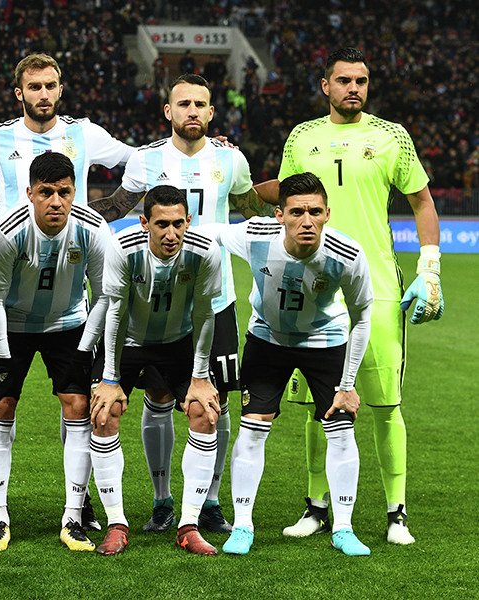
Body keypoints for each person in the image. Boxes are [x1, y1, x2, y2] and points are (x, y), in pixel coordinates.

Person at [255, 48, 443, 544]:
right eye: (344, 80)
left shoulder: (391, 137)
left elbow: (422, 200)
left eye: (361, 80)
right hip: (315, 289)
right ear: (326, 86)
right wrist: (235, 181)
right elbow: (287, 195)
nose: (353, 88)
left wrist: (429, 266)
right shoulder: (302, 136)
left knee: (386, 404)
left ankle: (396, 512)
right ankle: (317, 506)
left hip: (376, 288)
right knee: (318, 405)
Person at [87, 74, 274, 534]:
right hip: (157, 301)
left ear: (212, 112)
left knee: (216, 402)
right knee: (158, 396)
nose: (192, 110)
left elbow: (252, 207)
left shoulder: (230, 159)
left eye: (200, 104)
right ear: (168, 111)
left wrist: (293, 223)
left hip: (215, 298)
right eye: (183, 103)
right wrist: (67, 214)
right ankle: (162, 499)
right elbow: (117, 207)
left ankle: (209, 500)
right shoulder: (146, 159)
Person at [208, 173, 373, 556]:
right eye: (297, 212)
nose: (307, 221)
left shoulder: (346, 254)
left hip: (325, 341)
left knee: (340, 429)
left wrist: (347, 384)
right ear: (279, 215)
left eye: (315, 212)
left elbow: (362, 316)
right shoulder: (256, 236)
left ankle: (343, 528)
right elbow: (210, 234)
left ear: (327, 213)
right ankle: (243, 526)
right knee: (253, 427)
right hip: (268, 340)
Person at [0, 151, 110, 551]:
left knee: (77, 406)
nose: (56, 201)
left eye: (64, 192)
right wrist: (2, 356)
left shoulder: (93, 228)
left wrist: (84, 349)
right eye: (46, 192)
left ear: (74, 193)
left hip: (68, 325)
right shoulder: (8, 232)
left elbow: (103, 297)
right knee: (1, 406)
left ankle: (74, 515)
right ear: (30, 194)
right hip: (12, 325)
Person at [89, 185, 223, 556]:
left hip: (177, 342)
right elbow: (115, 312)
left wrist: (200, 377)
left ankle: (189, 525)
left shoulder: (205, 252)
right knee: (104, 414)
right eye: (162, 224)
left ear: (188, 221)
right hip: (129, 341)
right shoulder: (123, 247)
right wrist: (110, 378)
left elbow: (204, 313)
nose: (171, 233)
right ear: (144, 222)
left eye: (178, 223)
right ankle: (116, 524)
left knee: (205, 412)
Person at [0, 53, 134, 217]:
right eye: (35, 87)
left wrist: (112, 206)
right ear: (19, 93)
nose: (44, 95)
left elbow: (138, 158)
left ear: (60, 90)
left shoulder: (85, 133)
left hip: (72, 234)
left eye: (50, 86)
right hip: (13, 234)